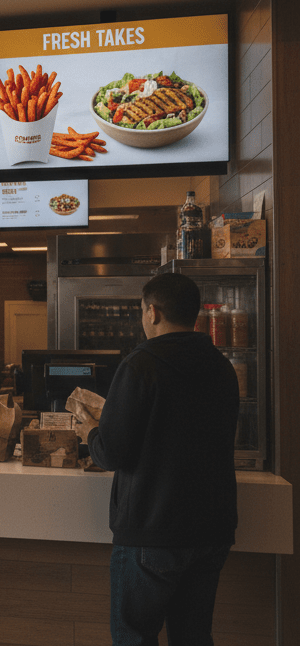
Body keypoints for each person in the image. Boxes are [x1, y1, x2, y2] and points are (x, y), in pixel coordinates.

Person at [88, 272, 240, 646]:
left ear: (152, 312)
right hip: (211, 530)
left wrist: (89, 432)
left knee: (134, 638)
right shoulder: (222, 365)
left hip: (152, 530)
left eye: (142, 312)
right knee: (193, 638)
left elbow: (111, 452)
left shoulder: (141, 365)